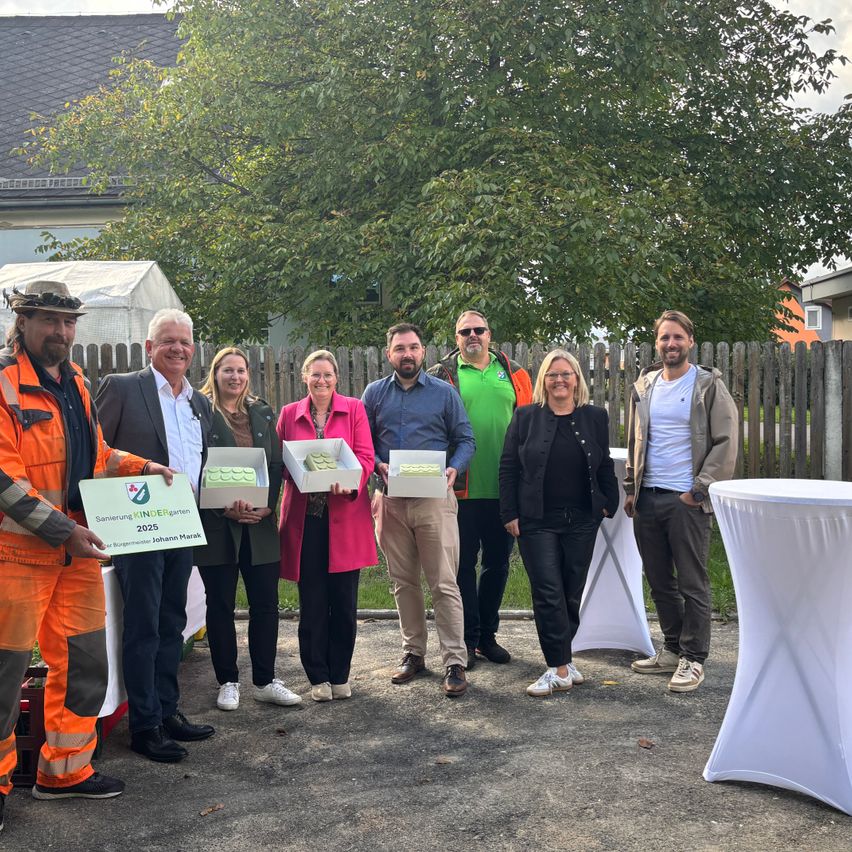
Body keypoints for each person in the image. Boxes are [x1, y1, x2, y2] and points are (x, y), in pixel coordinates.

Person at [0, 281, 172, 829]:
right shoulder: (4, 385)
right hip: (17, 554)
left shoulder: (73, 381)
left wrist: (145, 468)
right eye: (49, 320)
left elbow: (94, 454)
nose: (61, 331)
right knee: (4, 678)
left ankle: (64, 772)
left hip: (77, 548)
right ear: (22, 322)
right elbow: (4, 479)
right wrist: (59, 530)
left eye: (69, 321)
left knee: (83, 664)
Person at [96, 309, 215, 763]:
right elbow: (98, 452)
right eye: (168, 341)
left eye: (184, 341)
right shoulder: (124, 388)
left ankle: (168, 711)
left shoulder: (197, 402)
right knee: (143, 626)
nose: (178, 348)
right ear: (149, 348)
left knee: (173, 623)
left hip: (182, 527)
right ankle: (144, 725)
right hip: (139, 527)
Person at [624, 310, 737, 693]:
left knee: (693, 582)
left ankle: (694, 658)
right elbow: (635, 439)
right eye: (664, 338)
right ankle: (672, 649)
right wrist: (630, 488)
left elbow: (725, 442)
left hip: (685, 501)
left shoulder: (706, 385)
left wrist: (699, 490)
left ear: (690, 341)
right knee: (659, 581)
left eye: (677, 337)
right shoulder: (646, 385)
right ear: (656, 343)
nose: (670, 344)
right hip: (648, 498)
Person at [362, 323, 475, 697]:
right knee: (403, 582)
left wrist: (454, 468)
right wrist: (376, 463)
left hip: (434, 500)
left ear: (423, 351)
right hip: (390, 501)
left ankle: (455, 661)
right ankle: (414, 653)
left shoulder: (443, 393)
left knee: (444, 582)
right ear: (389, 354)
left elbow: (465, 439)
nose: (406, 354)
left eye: (412, 347)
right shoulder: (374, 394)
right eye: (399, 349)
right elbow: (362, 441)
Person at [500, 349, 619, 696]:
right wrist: (509, 513)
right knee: (548, 591)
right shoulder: (525, 418)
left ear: (577, 378)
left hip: (582, 519)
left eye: (566, 373)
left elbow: (603, 462)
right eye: (553, 374)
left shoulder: (595, 417)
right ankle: (560, 668)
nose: (560, 380)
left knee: (570, 592)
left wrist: (608, 504)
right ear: (544, 381)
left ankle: (563, 658)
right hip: (537, 520)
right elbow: (508, 467)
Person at [194, 347, 300, 712]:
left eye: (240, 371)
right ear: (215, 373)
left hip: (259, 526)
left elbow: (273, 462)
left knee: (266, 605)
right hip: (218, 525)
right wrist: (225, 506)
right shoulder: (201, 411)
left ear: (247, 374)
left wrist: (269, 503)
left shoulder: (261, 411)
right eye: (228, 370)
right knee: (220, 605)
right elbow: (196, 464)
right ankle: (228, 681)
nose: (235, 377)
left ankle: (265, 680)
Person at [428, 309, 532, 668]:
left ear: (490, 335)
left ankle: (488, 635)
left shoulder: (516, 374)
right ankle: (467, 638)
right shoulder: (441, 375)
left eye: (479, 330)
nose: (473, 335)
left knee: (498, 564)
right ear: (456, 339)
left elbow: (530, 425)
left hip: (505, 488)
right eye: (465, 331)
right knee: (460, 568)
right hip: (459, 489)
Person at [277, 350, 377, 702]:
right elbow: (281, 462)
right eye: (315, 375)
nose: (322, 381)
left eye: (328, 375)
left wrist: (349, 481)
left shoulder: (354, 409)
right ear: (305, 377)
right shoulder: (289, 414)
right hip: (306, 523)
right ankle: (317, 675)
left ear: (337, 378)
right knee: (313, 602)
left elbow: (365, 457)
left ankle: (340, 674)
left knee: (344, 603)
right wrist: (297, 472)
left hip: (345, 520)